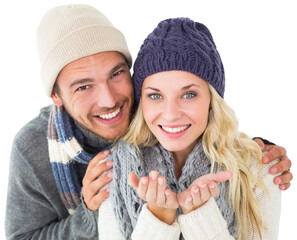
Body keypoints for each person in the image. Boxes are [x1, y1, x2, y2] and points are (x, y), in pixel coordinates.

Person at [4, 4, 291, 239]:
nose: (109, 100)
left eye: (116, 74)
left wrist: (254, 153)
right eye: (83, 86)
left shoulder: (148, 107)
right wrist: (91, 215)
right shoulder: (36, 148)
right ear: (56, 95)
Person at [108, 17, 282, 239]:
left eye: (189, 94)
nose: (170, 114)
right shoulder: (113, 167)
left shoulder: (260, 169)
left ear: (212, 98)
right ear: (142, 101)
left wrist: (200, 216)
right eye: (155, 95)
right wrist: (158, 217)